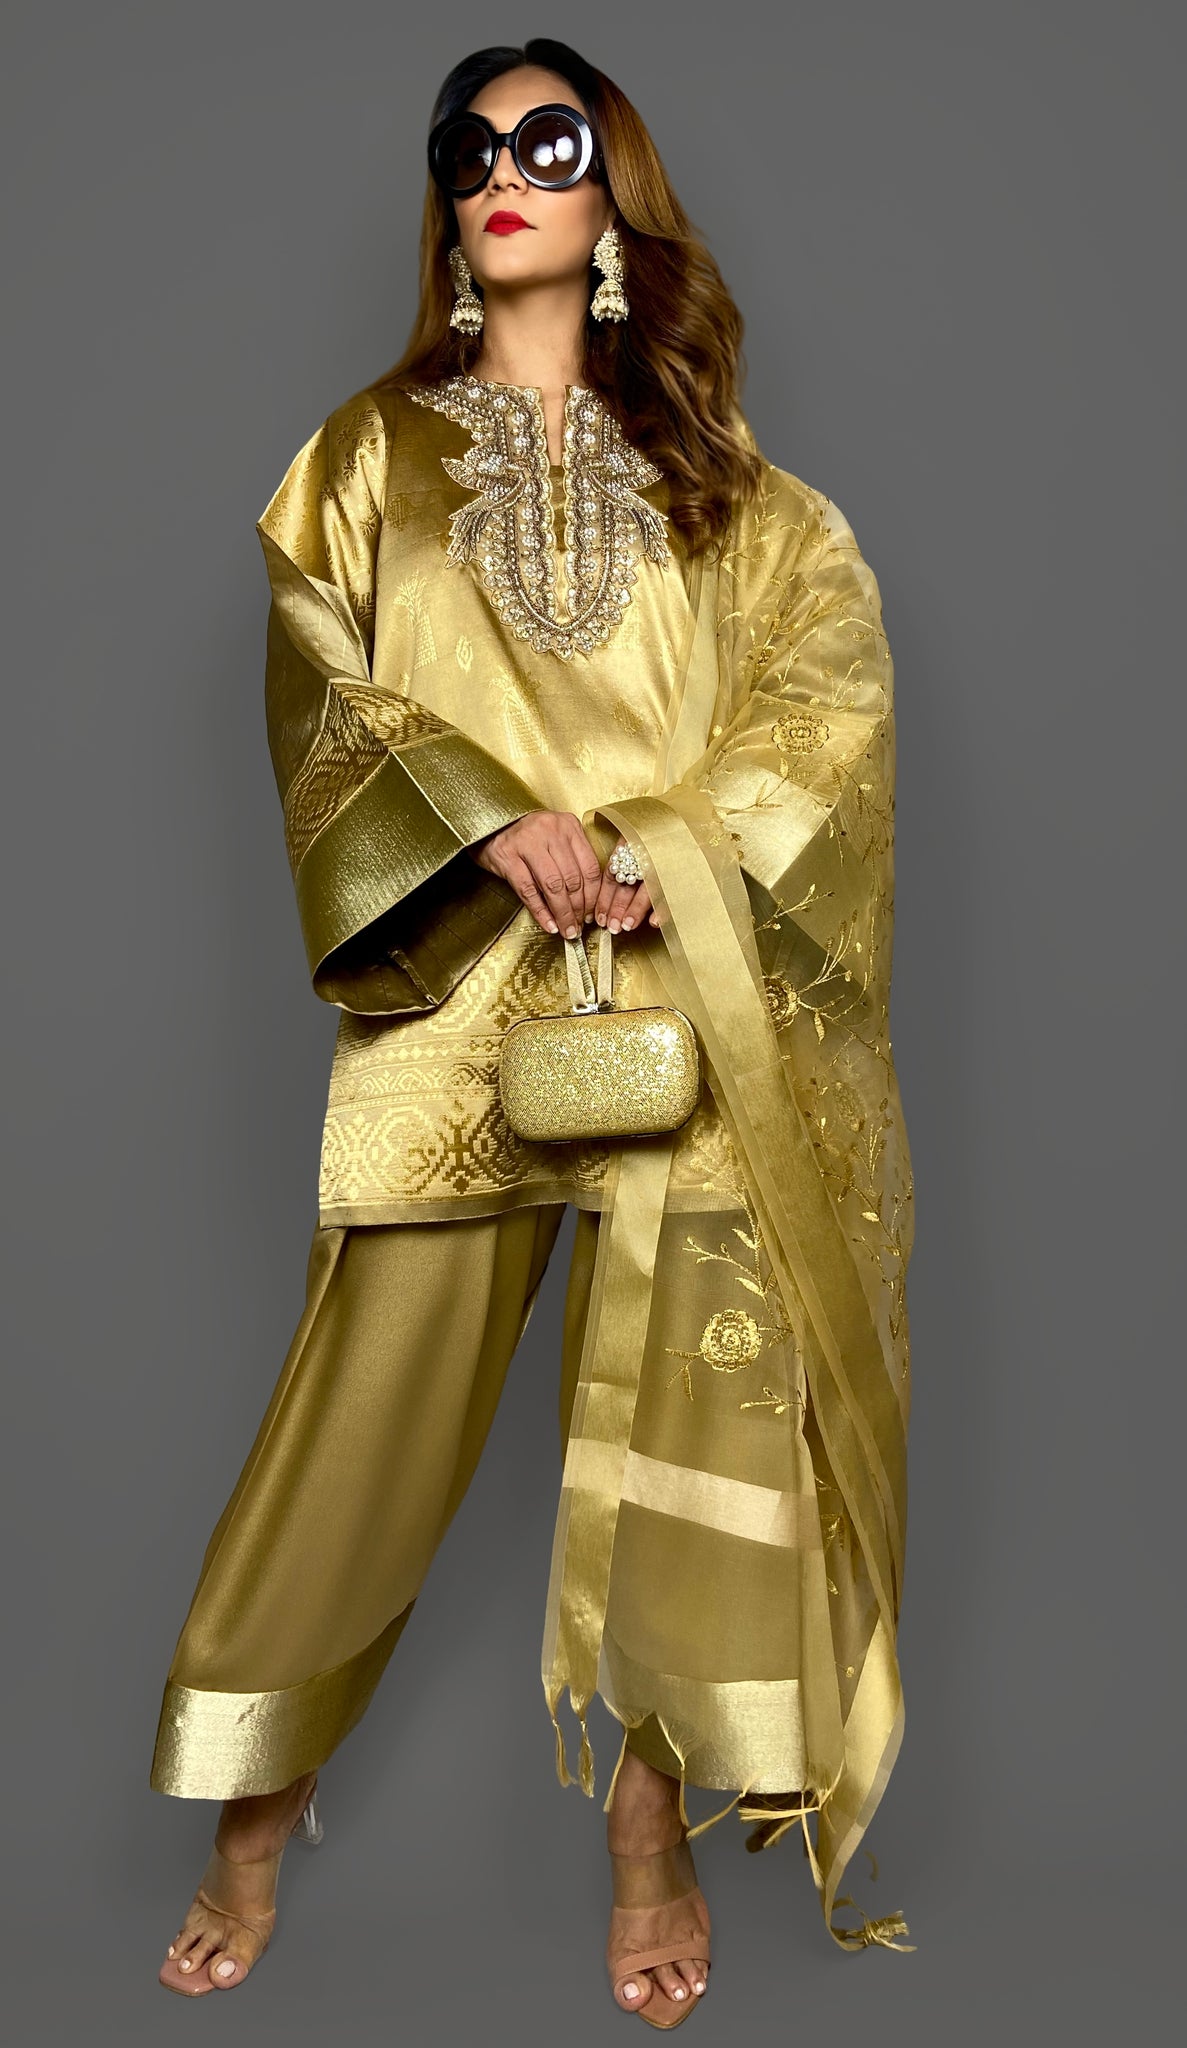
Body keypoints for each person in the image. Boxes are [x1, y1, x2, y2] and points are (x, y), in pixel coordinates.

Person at [151, 36, 916, 2020]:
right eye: (467, 146)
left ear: (612, 192)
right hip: (462, 987)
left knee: (693, 1421)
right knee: (360, 1417)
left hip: (688, 991)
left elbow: (823, 692)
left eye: (545, 141)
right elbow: (325, 683)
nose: (499, 170)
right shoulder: (364, 459)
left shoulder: (724, 484)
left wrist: (672, 844)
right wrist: (489, 820)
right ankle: (251, 1811)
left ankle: (650, 1834)